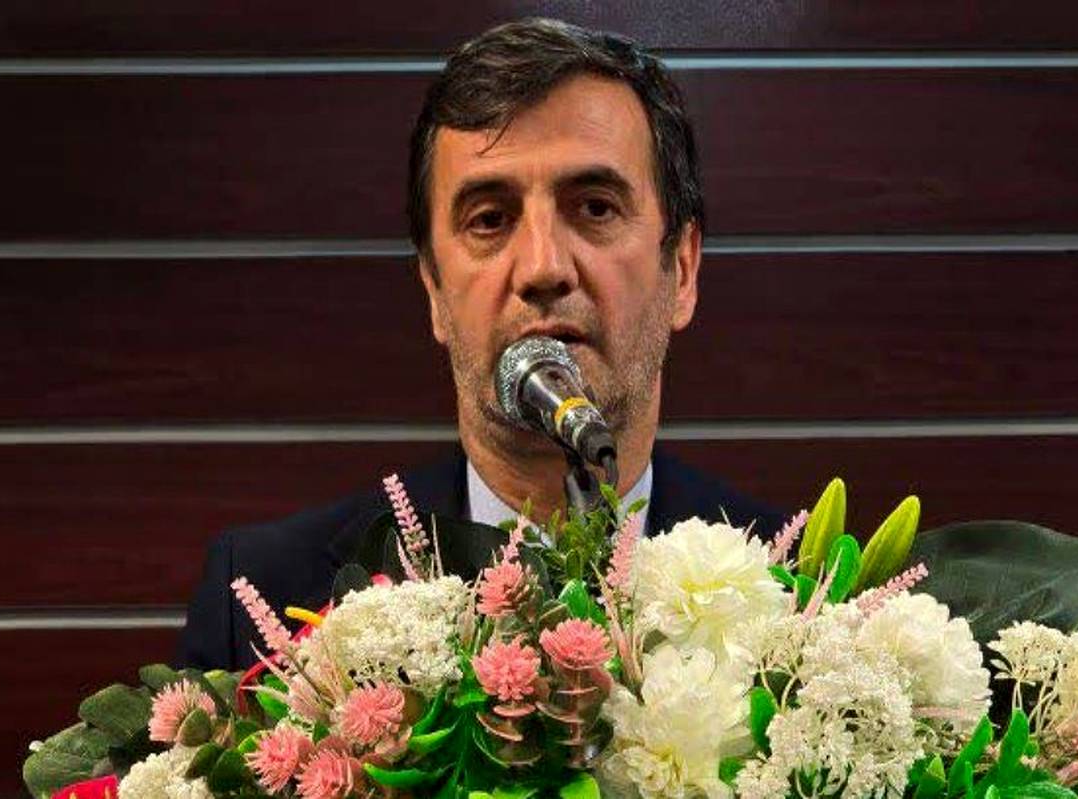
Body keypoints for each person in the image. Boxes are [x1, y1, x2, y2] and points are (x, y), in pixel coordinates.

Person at [179, 18, 782, 671]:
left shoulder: (806, 598)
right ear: (434, 290)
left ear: (683, 270)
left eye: (595, 207)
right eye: (490, 219)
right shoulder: (264, 598)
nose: (543, 268)